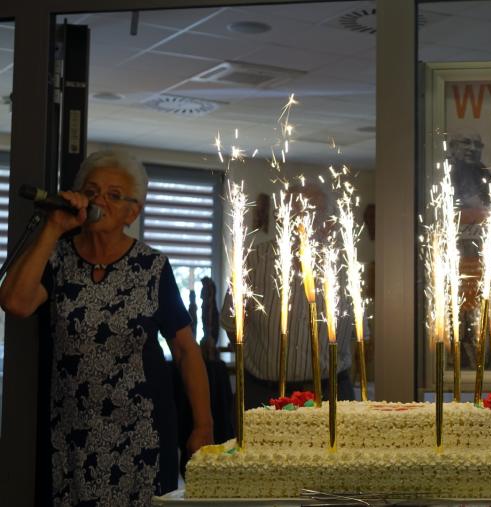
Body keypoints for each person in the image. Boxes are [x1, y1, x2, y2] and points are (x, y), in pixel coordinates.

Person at [0, 150, 214, 505]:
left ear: (133, 213)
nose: (99, 200)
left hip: (142, 435)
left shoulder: (152, 267)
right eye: (91, 191)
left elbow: (185, 350)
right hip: (71, 435)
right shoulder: (58, 258)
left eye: (114, 195)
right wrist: (53, 227)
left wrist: (203, 425)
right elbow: (15, 302)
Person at [220, 181, 355, 409]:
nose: (298, 224)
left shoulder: (347, 270)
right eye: (291, 214)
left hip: (330, 393)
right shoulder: (252, 261)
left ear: (330, 224)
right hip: (264, 393)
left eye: (310, 215)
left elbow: (358, 335)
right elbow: (232, 324)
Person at [448, 128, 491, 207]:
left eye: (477, 145)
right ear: (453, 146)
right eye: (466, 142)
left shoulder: (482, 170)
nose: (473, 148)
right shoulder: (446, 171)